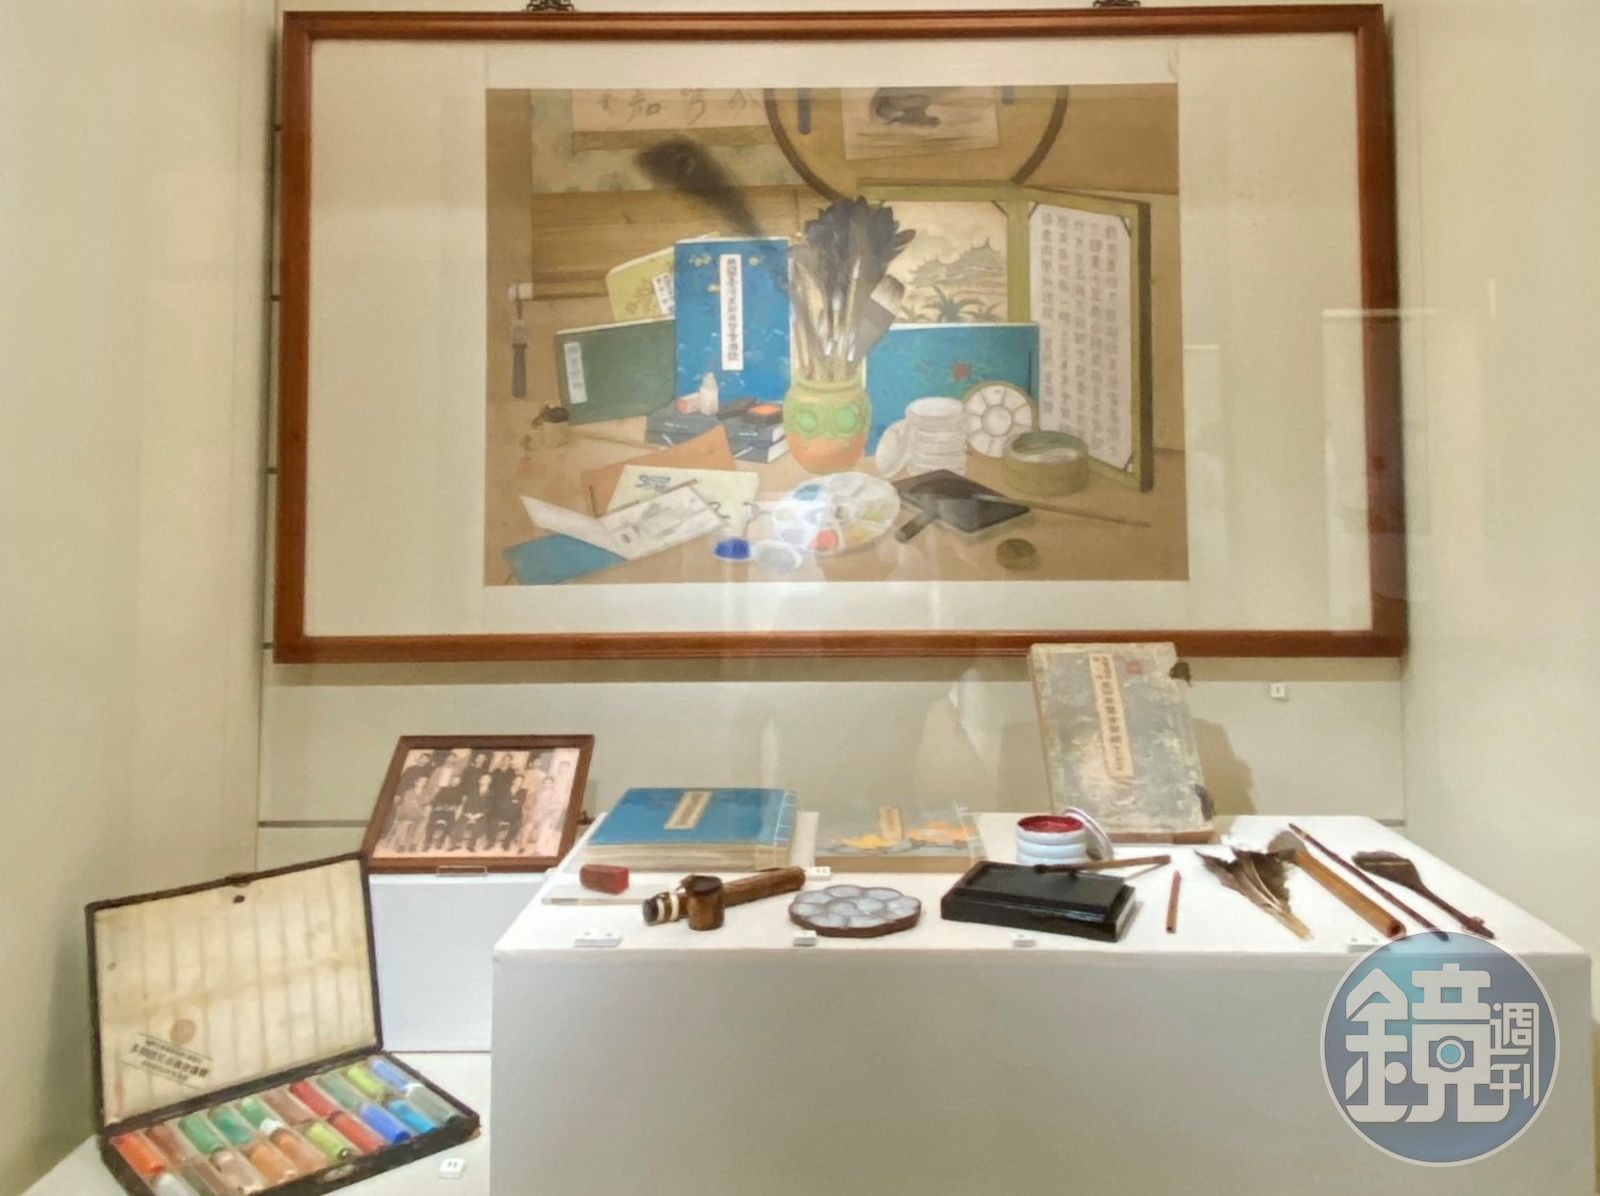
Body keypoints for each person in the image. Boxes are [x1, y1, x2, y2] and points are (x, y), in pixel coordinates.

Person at [384, 776, 430, 854]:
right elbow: (406, 805)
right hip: (407, 813)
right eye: (421, 781)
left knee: (424, 823)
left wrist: (416, 805)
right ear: (416, 782)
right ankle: (401, 845)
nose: (423, 783)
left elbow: (427, 802)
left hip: (417, 814)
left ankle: (413, 844)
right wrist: (418, 806)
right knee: (405, 822)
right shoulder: (408, 793)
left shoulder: (425, 794)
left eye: (425, 782)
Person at [454, 773, 495, 853]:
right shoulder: (473, 790)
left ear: (490, 781)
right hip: (469, 813)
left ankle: (471, 844)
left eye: (487, 779)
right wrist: (468, 813)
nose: (485, 780)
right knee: (460, 823)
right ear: (479, 781)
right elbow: (467, 803)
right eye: (483, 778)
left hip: (481, 815)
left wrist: (479, 815)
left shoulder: (491, 793)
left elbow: (489, 806)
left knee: (481, 826)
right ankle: (457, 843)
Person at [424, 778, 466, 852]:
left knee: (451, 824)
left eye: (457, 781)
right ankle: (428, 841)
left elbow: (458, 804)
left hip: (449, 812)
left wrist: (450, 807)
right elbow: (435, 800)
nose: (455, 782)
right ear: (451, 781)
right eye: (454, 780)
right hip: (439, 810)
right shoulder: (444, 789)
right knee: (431, 822)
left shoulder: (459, 793)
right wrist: (437, 806)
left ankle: (441, 840)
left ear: (459, 783)